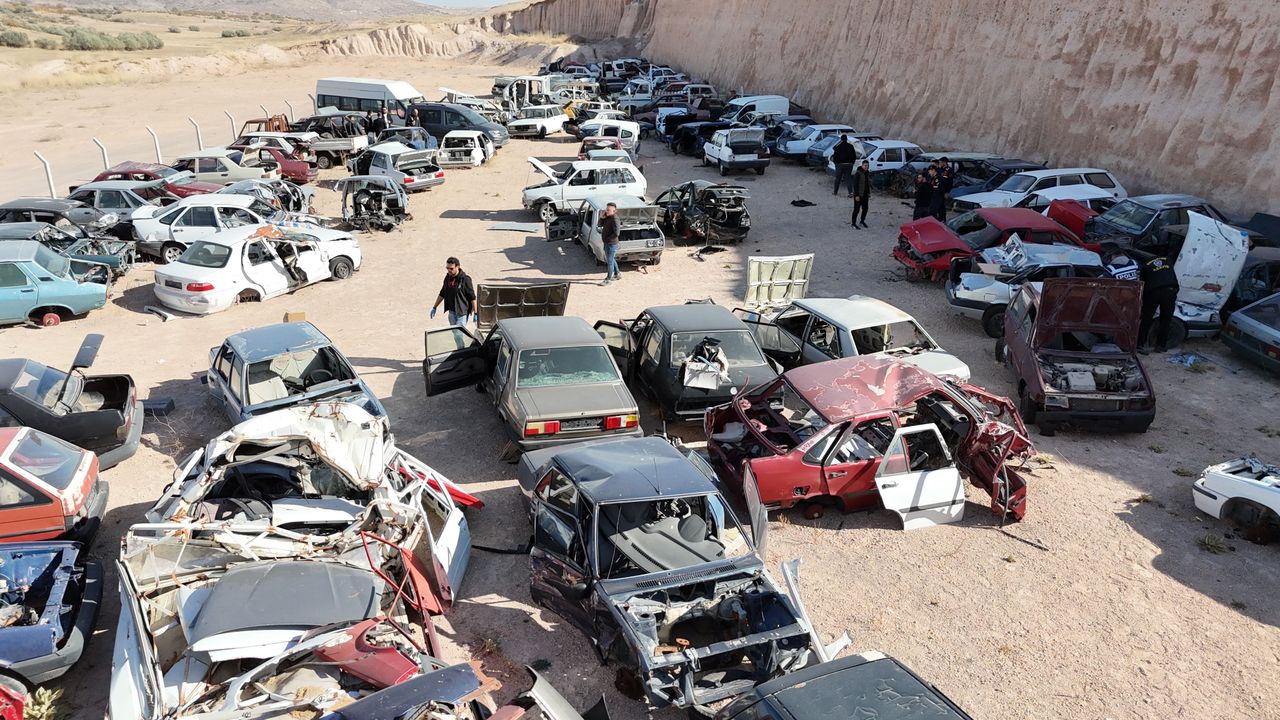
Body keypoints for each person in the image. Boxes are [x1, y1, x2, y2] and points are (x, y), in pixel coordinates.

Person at [1137, 254, 1179, 353]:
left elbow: (1142, 284)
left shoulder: (1145, 266)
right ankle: (1161, 346)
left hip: (1153, 292)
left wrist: (1143, 301)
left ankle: (1140, 344)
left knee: (1146, 318)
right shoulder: (1168, 259)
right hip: (1170, 290)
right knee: (1166, 319)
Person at [429, 257, 478, 326]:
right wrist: (434, 307)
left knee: (459, 331)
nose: (449, 270)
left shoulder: (465, 279)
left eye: (451, 268)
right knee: (454, 331)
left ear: (457, 267)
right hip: (451, 312)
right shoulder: (448, 278)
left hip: (462, 312)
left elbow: (472, 297)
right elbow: (442, 293)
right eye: (447, 268)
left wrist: (476, 313)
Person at [600, 202, 620, 284]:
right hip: (607, 242)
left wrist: (608, 239)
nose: (606, 211)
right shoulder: (608, 217)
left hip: (611, 244)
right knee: (610, 259)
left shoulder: (615, 219)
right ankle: (617, 274)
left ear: (614, 211)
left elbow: (617, 233)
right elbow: (599, 225)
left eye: (608, 210)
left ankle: (608, 279)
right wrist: (602, 218)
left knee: (610, 261)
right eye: (606, 209)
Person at [850, 159, 871, 228]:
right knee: (856, 210)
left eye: (867, 166)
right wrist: (856, 195)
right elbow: (855, 185)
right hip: (858, 195)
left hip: (865, 195)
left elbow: (867, 184)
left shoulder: (867, 173)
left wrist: (868, 192)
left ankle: (862, 221)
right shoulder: (858, 173)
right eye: (865, 165)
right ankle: (853, 223)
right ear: (862, 165)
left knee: (865, 209)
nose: (866, 167)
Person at [936, 157, 955, 222]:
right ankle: (939, 218)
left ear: (944, 162)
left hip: (944, 190)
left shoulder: (949, 170)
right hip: (938, 189)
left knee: (942, 205)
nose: (940, 164)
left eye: (940, 162)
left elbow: (950, 182)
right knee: (937, 204)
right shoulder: (939, 169)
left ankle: (942, 219)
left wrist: (947, 192)